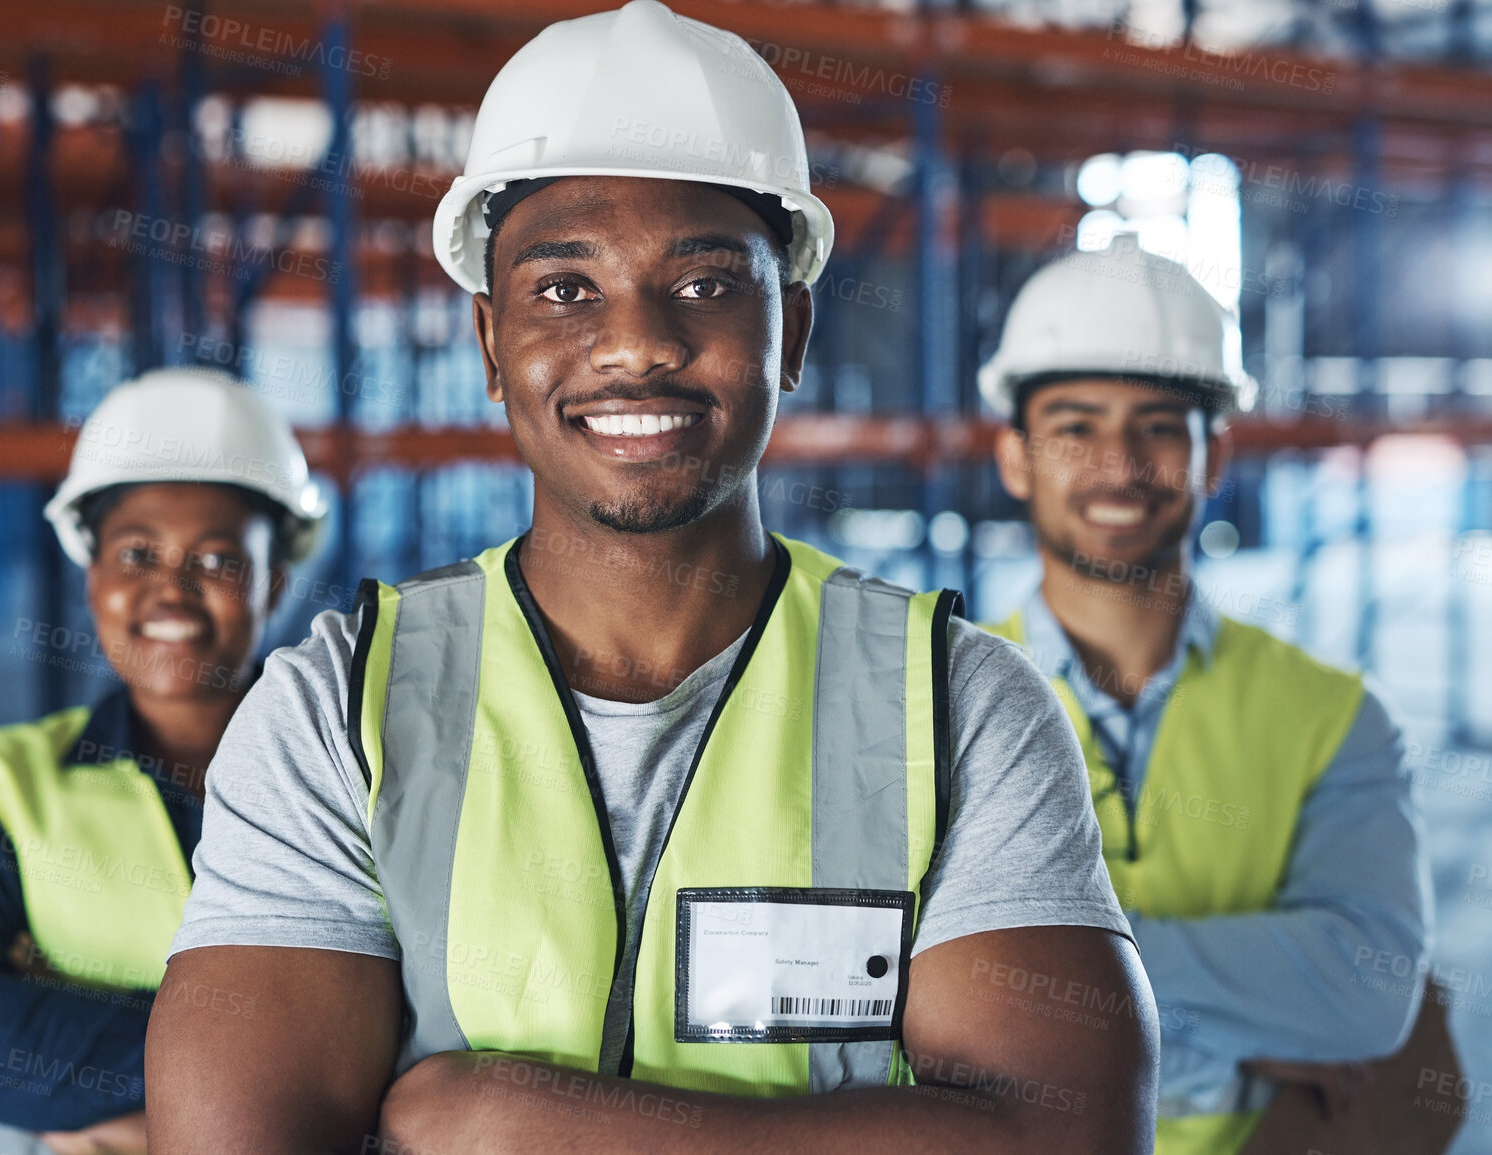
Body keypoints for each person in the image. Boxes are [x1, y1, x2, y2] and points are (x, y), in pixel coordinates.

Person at [146, 4, 1160, 1152]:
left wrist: (512, 1121)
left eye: (705, 284)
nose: (635, 344)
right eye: (565, 289)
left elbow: (1063, 1140)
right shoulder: (340, 709)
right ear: (490, 343)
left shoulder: (957, 704)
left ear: (793, 335)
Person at [975, 236, 1432, 1154]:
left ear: (1212, 454)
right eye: (1073, 425)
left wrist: (1033, 975)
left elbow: (1367, 994)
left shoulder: (1334, 716)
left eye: (1156, 425)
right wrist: (1239, 1052)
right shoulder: (930, 703)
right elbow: (888, 1013)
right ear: (1016, 458)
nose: (1118, 462)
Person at [0, 368, 326, 1155]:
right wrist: (278, 1056)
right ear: (92, 575)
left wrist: (66, 1019)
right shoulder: (5, 778)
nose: (171, 590)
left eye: (217, 561)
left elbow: (413, 1019)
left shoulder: (347, 773)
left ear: (274, 583)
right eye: (137, 554)